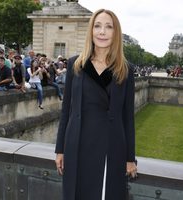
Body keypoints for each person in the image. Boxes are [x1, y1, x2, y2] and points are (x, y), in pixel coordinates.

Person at [55, 9, 137, 200]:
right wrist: (60, 149)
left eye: (109, 27)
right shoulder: (76, 64)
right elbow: (66, 110)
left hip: (111, 146)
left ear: (116, 33)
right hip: (77, 144)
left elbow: (127, 118)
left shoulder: (125, 70)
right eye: (97, 26)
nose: (102, 32)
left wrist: (129, 158)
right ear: (91, 30)